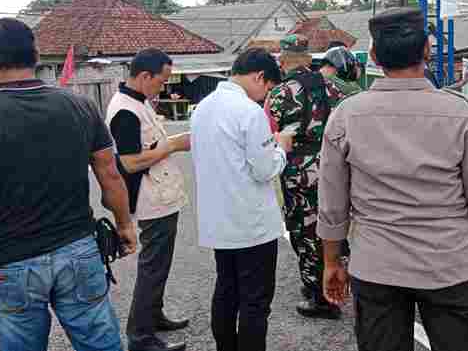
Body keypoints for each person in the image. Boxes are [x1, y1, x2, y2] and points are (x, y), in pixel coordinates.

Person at [0, 18, 136, 351]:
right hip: (79, 250)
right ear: (36, 55)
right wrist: (125, 224)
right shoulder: (80, 105)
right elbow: (110, 174)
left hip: (12, 260)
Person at [318, 8, 468, 351]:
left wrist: (331, 261)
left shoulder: (346, 115)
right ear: (427, 50)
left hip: (376, 267)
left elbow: (332, 203)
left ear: (374, 55)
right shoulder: (460, 113)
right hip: (449, 265)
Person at [191, 48, 290, 351]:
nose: (266, 96)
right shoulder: (249, 111)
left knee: (226, 292)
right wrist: (281, 149)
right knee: (255, 302)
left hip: (219, 221)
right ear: (259, 76)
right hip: (251, 224)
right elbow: (264, 169)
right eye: (268, 88)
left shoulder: (202, 108)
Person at [105, 48, 191, 351]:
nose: (163, 86)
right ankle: (140, 336)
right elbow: (129, 162)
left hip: (160, 195)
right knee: (152, 268)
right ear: (144, 76)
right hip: (150, 198)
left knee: (159, 265)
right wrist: (174, 145)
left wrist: (168, 144)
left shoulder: (137, 101)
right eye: (162, 80)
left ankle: (153, 316)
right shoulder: (125, 110)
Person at [264, 34, 353, 319]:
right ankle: (341, 278)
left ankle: (321, 297)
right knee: (334, 223)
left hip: (299, 170)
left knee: (304, 231)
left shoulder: (280, 92)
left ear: (283, 59)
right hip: (334, 165)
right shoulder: (334, 87)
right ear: (308, 57)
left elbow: (270, 132)